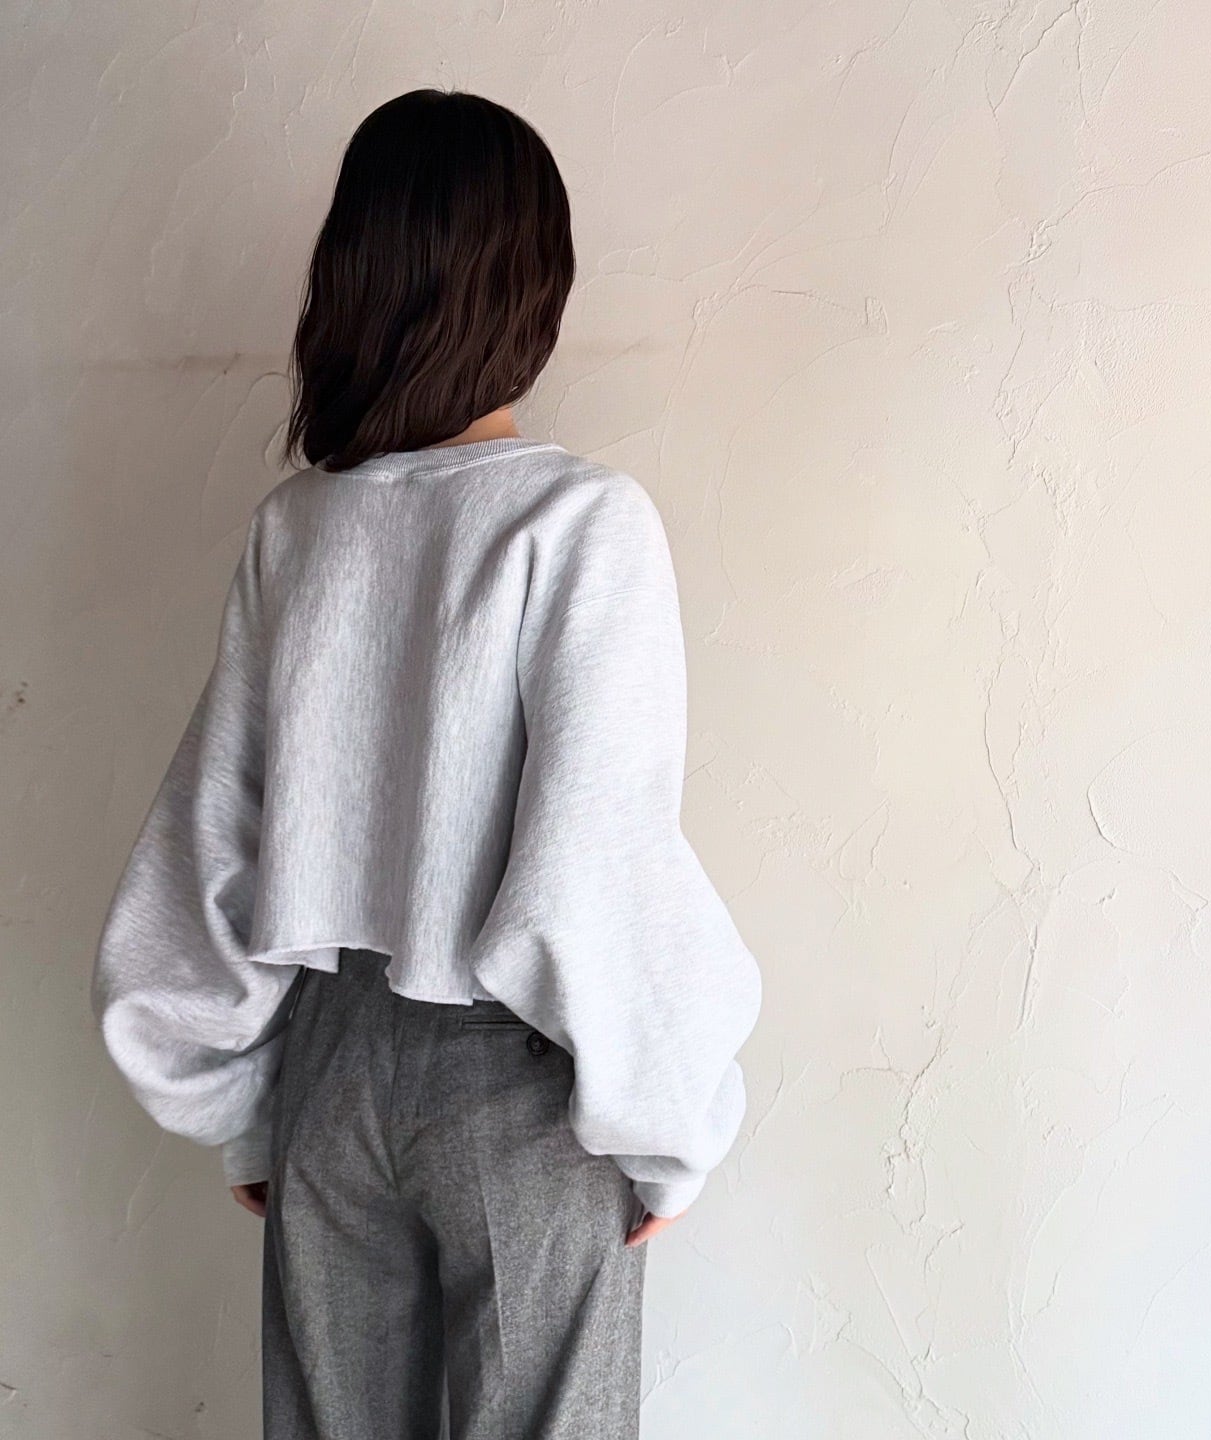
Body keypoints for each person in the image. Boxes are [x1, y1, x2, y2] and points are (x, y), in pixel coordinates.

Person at [90, 88, 762, 1440]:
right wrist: (668, 1128)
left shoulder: (299, 530)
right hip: (519, 1083)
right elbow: (596, 858)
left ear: (352, 276)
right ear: (536, 284)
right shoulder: (580, 522)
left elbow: (213, 835)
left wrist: (243, 1105)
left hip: (328, 1073)